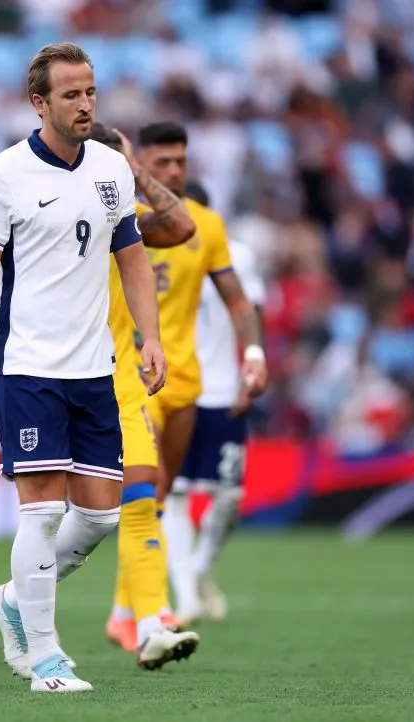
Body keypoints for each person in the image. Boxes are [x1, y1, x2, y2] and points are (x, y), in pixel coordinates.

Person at [0, 42, 165, 693]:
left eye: (90, 91)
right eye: (71, 94)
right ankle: (44, 658)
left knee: (98, 516)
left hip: (95, 367)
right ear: (39, 103)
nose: (85, 103)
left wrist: (149, 338)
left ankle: (14, 598)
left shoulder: (111, 169)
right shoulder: (3, 175)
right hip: (30, 368)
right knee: (40, 515)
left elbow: (132, 260)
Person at [105, 122, 268, 630]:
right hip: (129, 374)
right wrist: (130, 177)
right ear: (140, 163)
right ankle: (156, 615)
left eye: (182, 161)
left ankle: (123, 613)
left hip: (186, 379)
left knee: (155, 499)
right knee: (144, 486)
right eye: (163, 162)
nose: (175, 170)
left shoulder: (206, 226)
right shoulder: (117, 217)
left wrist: (255, 353)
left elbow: (238, 299)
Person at [89, 121, 200, 663]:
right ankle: (17, 601)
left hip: (121, 379)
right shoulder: (41, 213)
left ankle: (152, 621)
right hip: (51, 381)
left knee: (141, 495)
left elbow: (181, 225)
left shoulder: (124, 222)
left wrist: (135, 172)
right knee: (65, 521)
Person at [174, 205, 268, 621]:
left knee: (230, 496)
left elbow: (252, 311)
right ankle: (185, 596)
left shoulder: (237, 256)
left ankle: (198, 568)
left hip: (223, 389)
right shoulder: (149, 247)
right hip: (173, 392)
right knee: (173, 495)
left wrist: (254, 362)